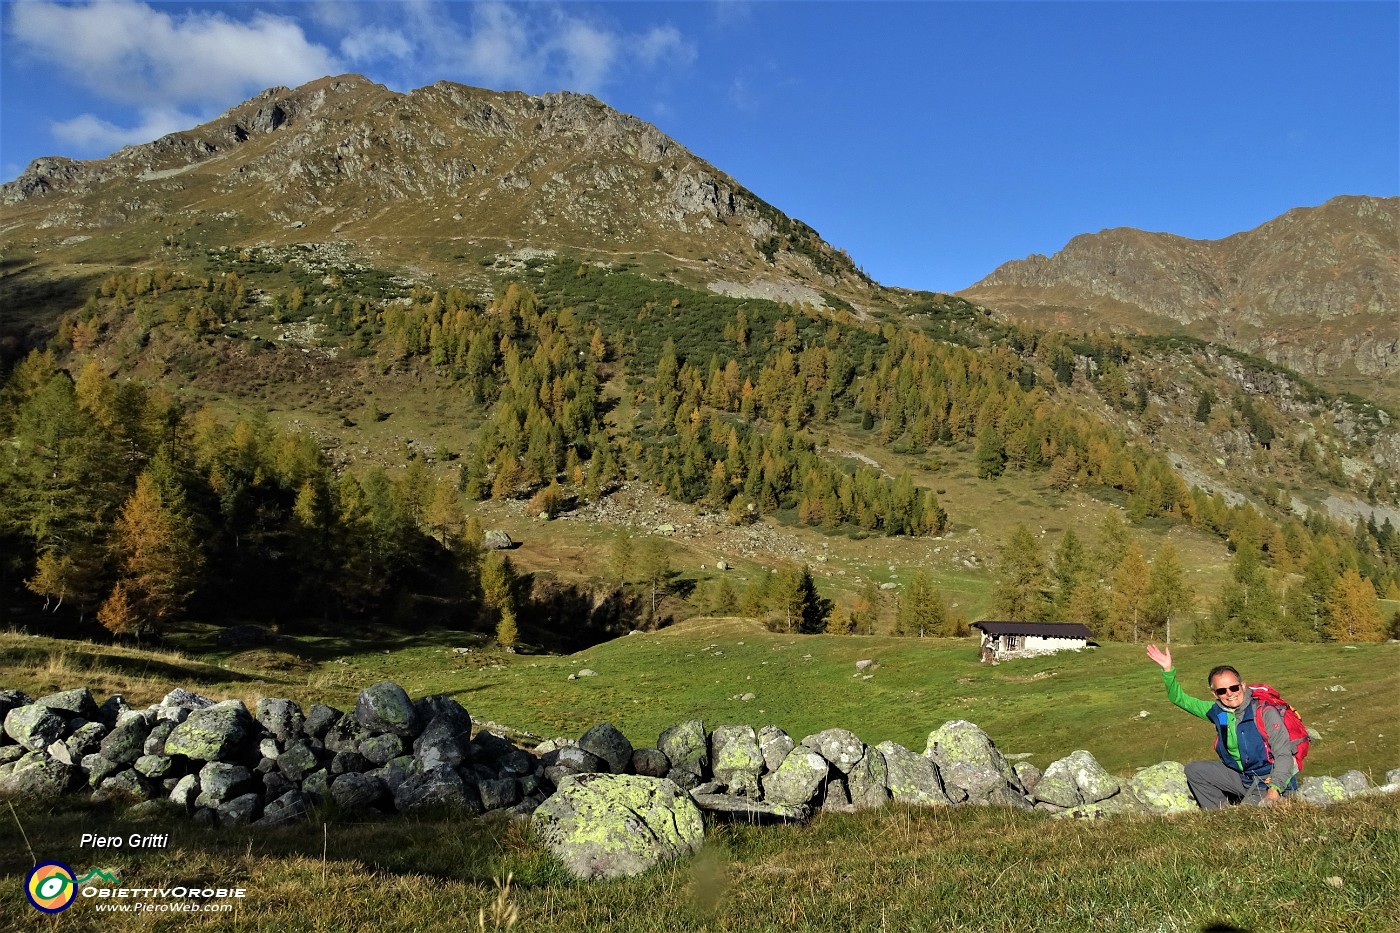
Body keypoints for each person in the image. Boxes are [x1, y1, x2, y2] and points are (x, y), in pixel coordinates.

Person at [1145, 643, 1297, 808]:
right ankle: (1219, 814)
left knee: (1249, 817)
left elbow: (1284, 754)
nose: (1229, 693)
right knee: (1195, 771)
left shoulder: (1264, 712)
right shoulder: (1217, 711)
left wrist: (1273, 791)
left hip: (1268, 780)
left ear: (1243, 686)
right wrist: (1168, 671)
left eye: (1233, 687)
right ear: (1214, 693)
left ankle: (1251, 806)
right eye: (1222, 691)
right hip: (1243, 777)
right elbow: (1179, 699)